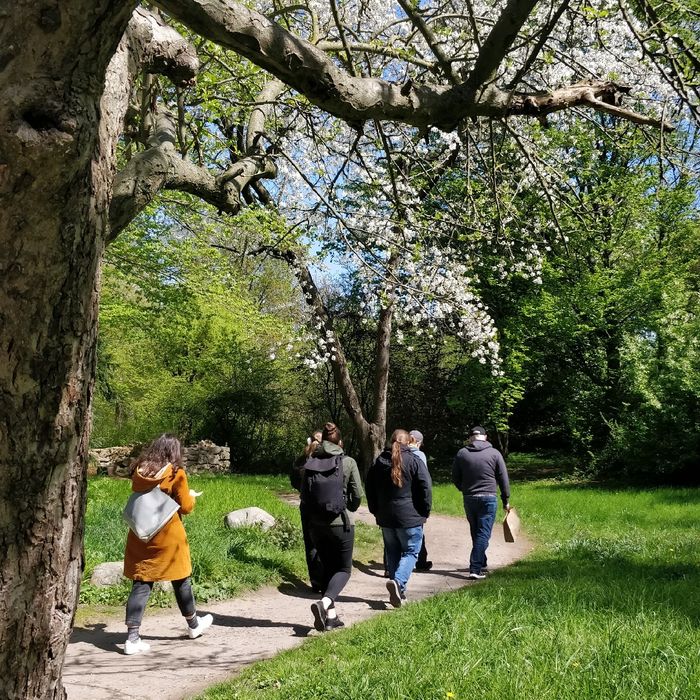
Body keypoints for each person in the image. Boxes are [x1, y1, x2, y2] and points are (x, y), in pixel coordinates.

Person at [122, 434, 212, 655]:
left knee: (141, 582)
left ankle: (132, 638)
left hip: (141, 535)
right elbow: (187, 507)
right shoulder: (175, 473)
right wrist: (190, 496)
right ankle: (193, 625)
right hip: (168, 537)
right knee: (181, 579)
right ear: (174, 452)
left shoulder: (139, 472)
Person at [304, 422, 363, 632]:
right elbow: (357, 495)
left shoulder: (311, 462)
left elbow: (305, 494)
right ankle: (326, 602)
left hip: (316, 525)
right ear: (340, 442)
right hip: (341, 522)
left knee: (328, 568)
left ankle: (331, 618)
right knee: (344, 569)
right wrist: (349, 508)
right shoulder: (348, 462)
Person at [366, 429, 432, 607]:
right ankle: (398, 583)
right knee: (411, 551)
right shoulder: (414, 460)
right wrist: (425, 511)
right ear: (409, 441)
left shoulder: (378, 462)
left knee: (392, 551)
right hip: (409, 516)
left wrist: (375, 510)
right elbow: (425, 487)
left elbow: (369, 488)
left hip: (386, 517)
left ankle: (399, 594)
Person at [451, 425, 511, 580]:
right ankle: (475, 568)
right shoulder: (494, 453)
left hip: (469, 498)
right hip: (488, 497)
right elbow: (503, 479)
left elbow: (455, 477)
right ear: (485, 437)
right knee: (483, 533)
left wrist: (464, 489)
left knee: (476, 530)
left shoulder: (462, 453)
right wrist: (506, 500)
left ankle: (481, 562)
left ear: (471, 437)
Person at [290, 430, 325, 592]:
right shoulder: (324, 460)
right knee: (317, 544)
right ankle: (320, 581)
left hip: (308, 506)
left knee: (312, 544)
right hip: (318, 507)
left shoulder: (302, 461)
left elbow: (294, 481)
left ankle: (318, 581)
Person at [408, 429, 432, 572]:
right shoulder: (420, 455)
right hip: (415, 499)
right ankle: (420, 561)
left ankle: (390, 566)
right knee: (418, 531)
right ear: (419, 442)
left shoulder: (396, 453)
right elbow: (424, 481)